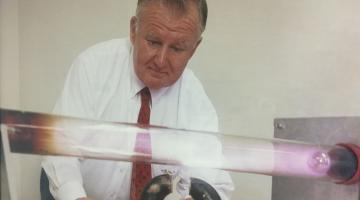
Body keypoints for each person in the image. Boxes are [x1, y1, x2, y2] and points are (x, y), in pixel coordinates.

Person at [41, 0, 234, 199]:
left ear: (194, 48)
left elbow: (214, 181)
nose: (160, 60)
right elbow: (60, 149)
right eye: (153, 42)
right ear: (134, 30)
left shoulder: (195, 99)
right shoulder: (92, 68)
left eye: (177, 48)